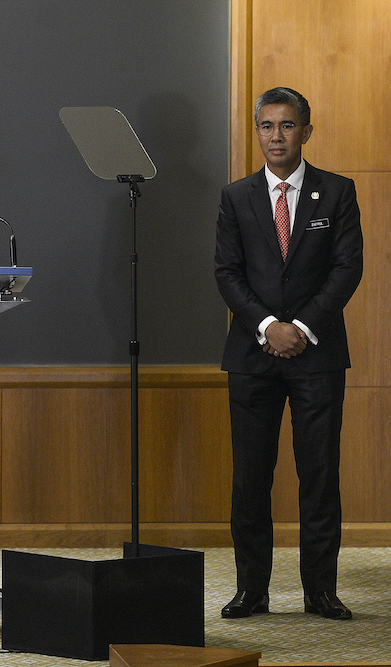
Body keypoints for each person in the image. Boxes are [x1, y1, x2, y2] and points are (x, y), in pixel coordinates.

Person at [215, 87, 363, 620]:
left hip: (317, 355)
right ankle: (251, 589)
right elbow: (227, 273)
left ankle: (320, 591)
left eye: (287, 125)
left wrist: (298, 328)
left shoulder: (337, 191)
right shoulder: (236, 196)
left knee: (319, 477)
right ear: (257, 132)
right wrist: (268, 327)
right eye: (267, 126)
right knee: (250, 479)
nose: (276, 136)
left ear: (306, 131)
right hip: (252, 356)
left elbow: (347, 268)